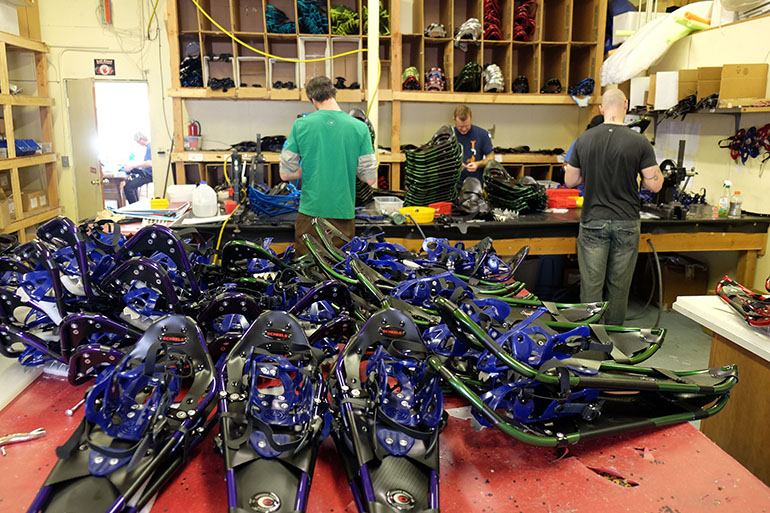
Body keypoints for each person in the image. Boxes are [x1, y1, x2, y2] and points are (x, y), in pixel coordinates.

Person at [565, 89, 663, 326]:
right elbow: (655, 185)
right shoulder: (639, 142)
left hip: (593, 220)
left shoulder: (584, 139)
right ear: (626, 106)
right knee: (619, 286)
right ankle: (614, 340)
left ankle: (589, 340)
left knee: (591, 285)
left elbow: (570, 181)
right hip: (626, 221)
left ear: (601, 108)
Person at [279, 76, 377, 256]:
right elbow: (370, 178)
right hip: (343, 214)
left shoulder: (301, 125)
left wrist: (309, 168)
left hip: (310, 214)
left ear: (313, 100)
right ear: (333, 94)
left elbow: (286, 174)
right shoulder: (359, 128)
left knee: (306, 274)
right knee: (339, 274)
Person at [453, 105, 494, 186]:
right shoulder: (449, 136)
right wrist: (454, 165)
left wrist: (478, 164)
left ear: (470, 119)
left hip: (476, 185)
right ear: (455, 121)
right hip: (454, 186)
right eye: (460, 126)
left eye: (466, 126)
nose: (464, 129)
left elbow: (491, 158)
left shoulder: (482, 134)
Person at [123, 132, 153, 204]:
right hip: (146, 172)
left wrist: (133, 166)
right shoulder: (149, 147)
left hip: (149, 175)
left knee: (128, 187)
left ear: (141, 139)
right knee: (132, 184)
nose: (138, 143)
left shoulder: (149, 147)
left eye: (137, 141)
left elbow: (149, 163)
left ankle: (133, 207)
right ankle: (136, 204)